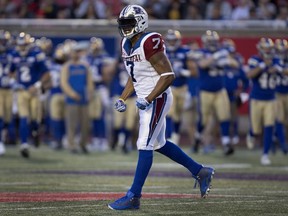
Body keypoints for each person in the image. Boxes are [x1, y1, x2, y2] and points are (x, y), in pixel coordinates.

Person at [108, 4, 215, 211]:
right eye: (123, 24)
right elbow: (135, 77)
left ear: (140, 22)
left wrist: (148, 98)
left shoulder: (150, 41)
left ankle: (134, 196)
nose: (125, 28)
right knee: (158, 144)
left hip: (157, 98)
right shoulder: (126, 43)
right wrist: (122, 98)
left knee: (144, 144)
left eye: (129, 23)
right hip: (146, 98)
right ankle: (200, 171)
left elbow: (168, 76)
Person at [191, 30, 234, 155]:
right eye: (209, 41)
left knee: (224, 116)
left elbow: (235, 63)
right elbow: (203, 64)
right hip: (205, 92)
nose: (212, 43)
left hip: (220, 91)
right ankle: (197, 140)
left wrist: (227, 61)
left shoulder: (222, 52)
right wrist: (215, 57)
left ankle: (226, 144)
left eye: (213, 41)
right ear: (205, 42)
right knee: (203, 120)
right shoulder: (201, 53)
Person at [10, 32, 50, 158]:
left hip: (35, 91)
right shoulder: (15, 55)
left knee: (34, 119)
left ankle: (35, 132)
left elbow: (46, 74)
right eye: (20, 45)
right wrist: (13, 82)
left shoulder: (37, 54)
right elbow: (10, 72)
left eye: (23, 45)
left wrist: (37, 85)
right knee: (23, 117)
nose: (21, 48)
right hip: (22, 91)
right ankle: (24, 145)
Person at [246, 38, 280, 165]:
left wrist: (279, 69)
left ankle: (265, 154)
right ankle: (251, 133)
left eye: (269, 48)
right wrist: (263, 65)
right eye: (265, 48)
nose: (267, 50)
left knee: (269, 126)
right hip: (256, 98)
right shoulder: (255, 60)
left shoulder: (276, 60)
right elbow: (249, 74)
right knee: (256, 130)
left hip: (270, 99)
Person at [60, 42, 94, 154]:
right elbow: (64, 83)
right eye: (75, 52)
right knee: (72, 124)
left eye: (78, 52)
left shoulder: (84, 66)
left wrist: (90, 93)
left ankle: (83, 144)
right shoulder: (67, 66)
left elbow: (89, 82)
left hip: (84, 99)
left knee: (85, 124)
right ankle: (71, 145)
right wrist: (72, 94)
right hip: (72, 100)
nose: (77, 54)